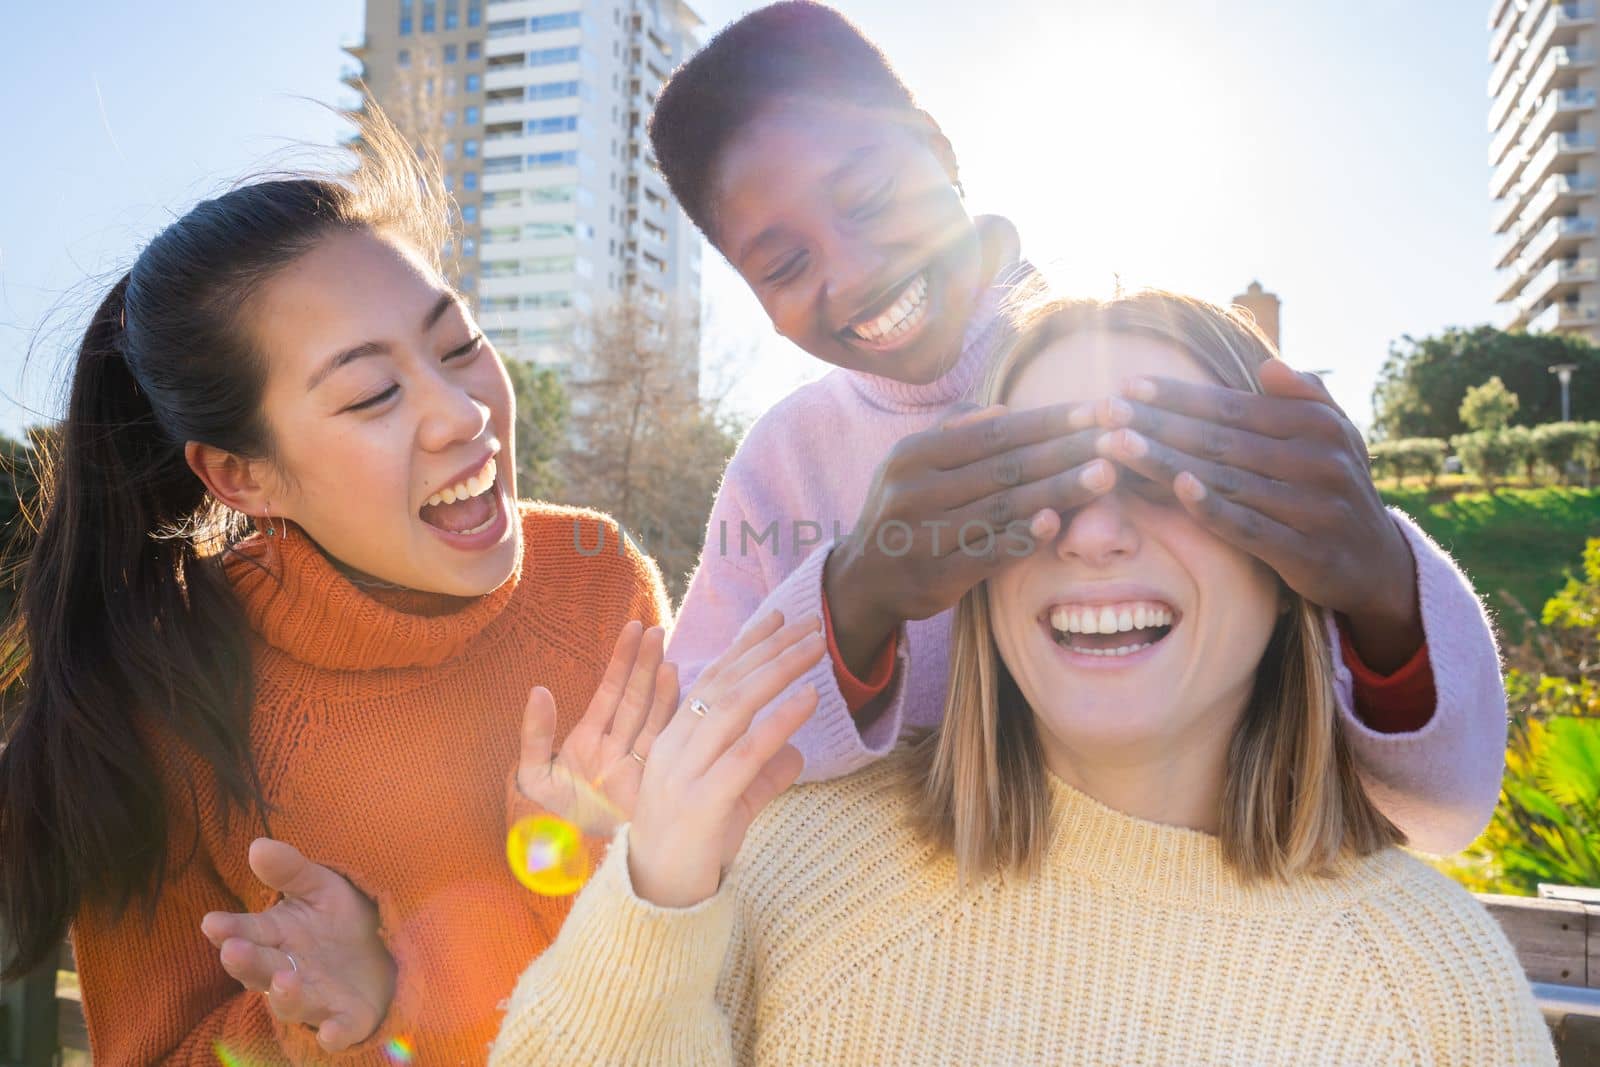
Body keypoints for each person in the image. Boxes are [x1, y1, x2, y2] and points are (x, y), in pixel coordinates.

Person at [490, 290, 1555, 1066]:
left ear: (1295, 561)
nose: (1092, 534)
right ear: (970, 564)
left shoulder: (1433, 991)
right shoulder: (789, 870)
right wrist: (657, 895)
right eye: (1033, 482)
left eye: (1169, 475)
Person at [652, 1, 1506, 855]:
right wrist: (857, 599)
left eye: (870, 199)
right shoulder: (783, 459)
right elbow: (683, 751)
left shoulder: (1151, 351)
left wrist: (1384, 596)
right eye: (785, 265)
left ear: (938, 149)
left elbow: (1443, 806)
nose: (854, 273)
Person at [0, 109, 675, 1064]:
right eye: (371, 395)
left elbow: (695, 975)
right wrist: (332, 1015)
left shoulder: (596, 586)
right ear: (243, 476)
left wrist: (597, 870)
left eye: (458, 345)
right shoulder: (170, 697)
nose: (461, 412)